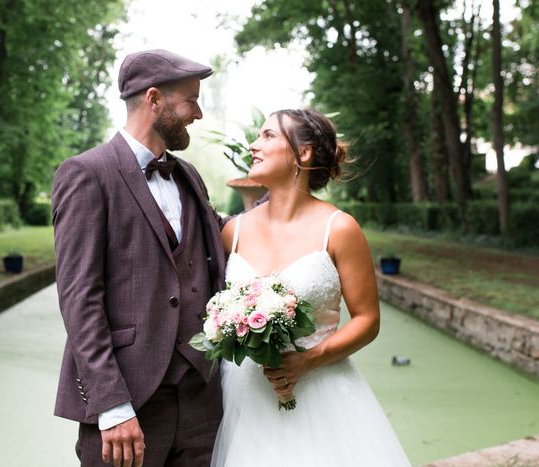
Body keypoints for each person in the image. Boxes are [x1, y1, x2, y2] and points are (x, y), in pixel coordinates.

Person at [51, 49, 226, 467]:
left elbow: (220, 238)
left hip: (201, 399)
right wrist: (112, 406)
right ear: (153, 99)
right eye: (190, 100)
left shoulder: (188, 174)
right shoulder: (86, 174)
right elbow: (79, 299)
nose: (198, 114)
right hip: (128, 403)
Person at [211, 108, 412, 466]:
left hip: (321, 394)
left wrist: (308, 360)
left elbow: (367, 319)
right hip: (245, 396)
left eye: (268, 136)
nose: (254, 146)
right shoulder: (233, 231)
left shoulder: (339, 228)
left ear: (302, 154)